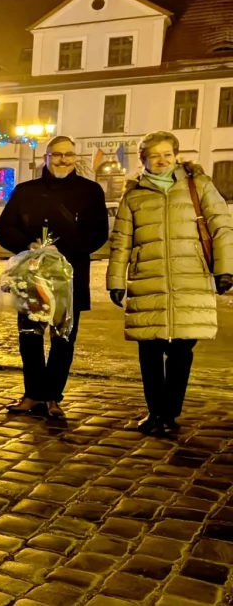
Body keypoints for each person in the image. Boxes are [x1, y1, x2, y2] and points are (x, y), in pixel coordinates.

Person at [107, 131, 233, 435]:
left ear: (175, 154)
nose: (161, 160)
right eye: (154, 155)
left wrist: (225, 269)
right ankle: (155, 412)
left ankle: (169, 412)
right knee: (149, 350)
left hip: (191, 276)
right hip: (147, 278)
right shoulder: (134, 194)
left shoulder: (198, 185)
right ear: (144, 160)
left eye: (167, 153)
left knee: (181, 350)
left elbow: (222, 228)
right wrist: (115, 279)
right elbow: (121, 240)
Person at [0, 136, 109, 419]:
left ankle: (53, 397)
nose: (63, 160)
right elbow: (4, 228)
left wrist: (63, 250)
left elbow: (98, 234)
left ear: (75, 157)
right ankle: (33, 394)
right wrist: (29, 246)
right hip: (32, 278)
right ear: (46, 157)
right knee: (30, 338)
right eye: (57, 155)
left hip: (70, 277)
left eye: (69, 155)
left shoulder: (91, 191)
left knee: (63, 338)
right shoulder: (25, 191)